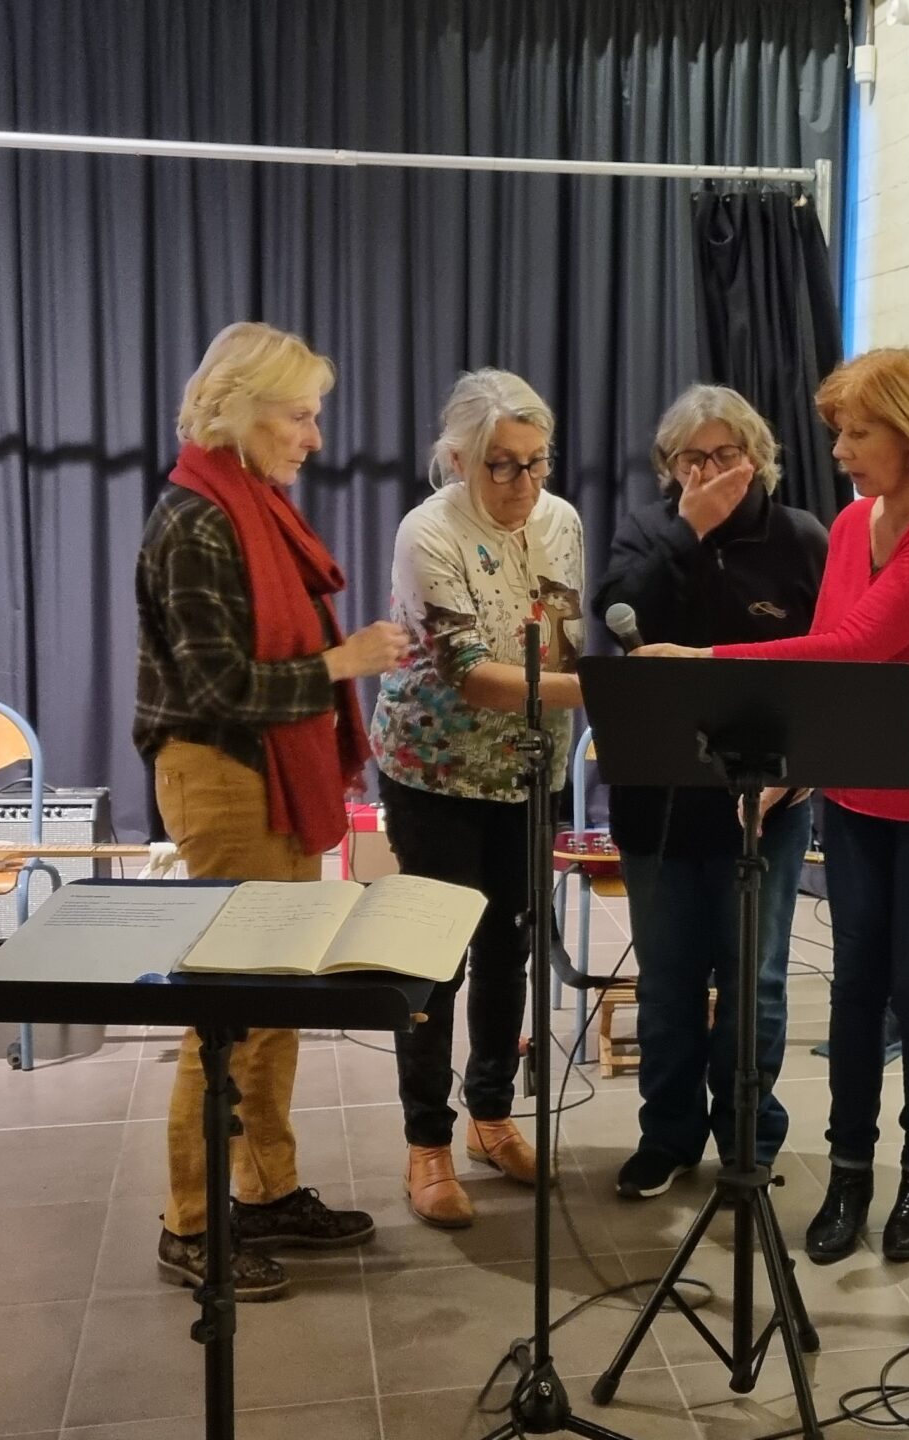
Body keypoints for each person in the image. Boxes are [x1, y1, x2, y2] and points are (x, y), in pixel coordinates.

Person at [642, 347, 909, 1266]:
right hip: (858, 784)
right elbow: (826, 657)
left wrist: (703, 664)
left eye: (858, 431)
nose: (839, 448)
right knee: (853, 986)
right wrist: (793, 761)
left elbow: (858, 644)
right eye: (838, 429)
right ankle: (851, 1170)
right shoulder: (852, 526)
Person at [134, 321, 407, 1299]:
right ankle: (192, 1221)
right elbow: (218, 689)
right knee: (229, 1011)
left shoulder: (250, 503)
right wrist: (345, 663)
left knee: (276, 997)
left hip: (270, 773)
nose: (314, 436)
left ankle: (267, 1188)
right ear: (239, 410)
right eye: (300, 414)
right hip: (223, 772)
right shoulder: (196, 520)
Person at [592, 384, 830, 1199]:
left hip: (768, 805)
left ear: (758, 457)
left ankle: (750, 1138)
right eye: (691, 458)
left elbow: (833, 660)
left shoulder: (802, 539)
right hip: (658, 800)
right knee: (667, 980)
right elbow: (619, 614)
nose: (709, 470)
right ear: (670, 468)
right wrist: (687, 534)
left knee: (755, 977)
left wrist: (801, 769)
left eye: (726, 454)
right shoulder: (645, 532)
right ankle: (666, 1137)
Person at [370, 368, 586, 1227]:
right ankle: (426, 1141)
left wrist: (581, 686)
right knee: (435, 960)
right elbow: (474, 680)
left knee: (512, 949)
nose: (525, 485)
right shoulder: (428, 533)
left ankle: (490, 1117)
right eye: (503, 466)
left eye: (538, 463)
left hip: (531, 770)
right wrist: (611, 691)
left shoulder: (560, 519)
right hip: (437, 772)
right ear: (459, 459)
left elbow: (560, 637)